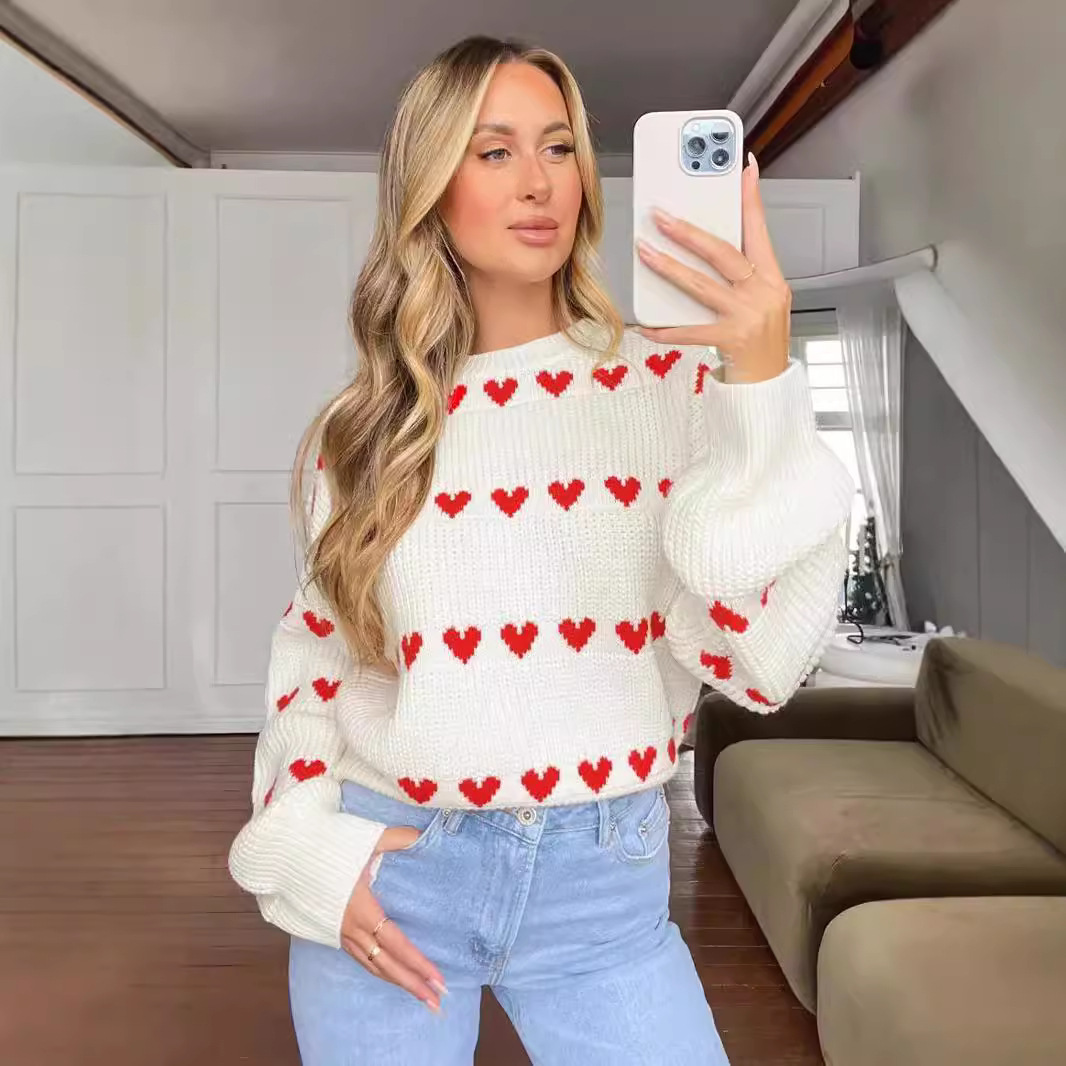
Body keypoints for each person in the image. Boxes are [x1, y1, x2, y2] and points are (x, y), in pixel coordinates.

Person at [228, 34, 854, 1066]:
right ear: (431, 188)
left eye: (559, 147)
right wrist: (303, 846)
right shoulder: (369, 428)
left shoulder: (675, 389)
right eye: (495, 151)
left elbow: (761, 662)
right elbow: (318, 652)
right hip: (393, 863)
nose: (539, 181)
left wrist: (761, 388)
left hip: (599, 882)